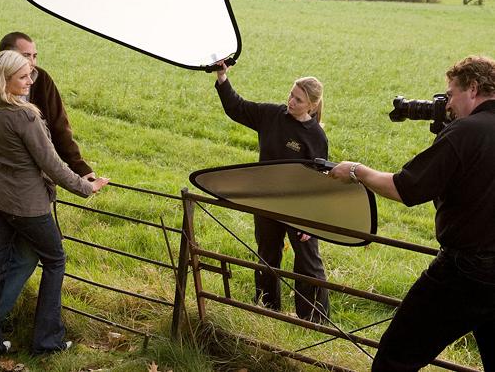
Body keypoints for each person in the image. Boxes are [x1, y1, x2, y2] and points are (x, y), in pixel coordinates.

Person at [329, 55, 495, 371]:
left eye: (451, 94)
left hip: (465, 273)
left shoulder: (466, 132)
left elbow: (405, 188)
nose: (448, 104)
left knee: (396, 358)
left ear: (473, 88)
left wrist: (356, 170)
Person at [0, 32, 95, 352]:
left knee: (8, 261)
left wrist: (80, 166)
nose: (32, 69)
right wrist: (85, 186)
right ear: (6, 63)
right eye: (26, 59)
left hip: (1, 197)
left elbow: (60, 130)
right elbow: (47, 160)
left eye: (35, 58)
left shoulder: (24, 91)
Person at [212, 61, 330, 322]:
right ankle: (267, 309)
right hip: (266, 201)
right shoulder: (271, 116)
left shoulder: (316, 136)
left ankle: (314, 320)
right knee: (267, 255)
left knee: (308, 263)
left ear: (311, 106)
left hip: (298, 208)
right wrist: (222, 77)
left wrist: (311, 222)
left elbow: (318, 182)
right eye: (291, 95)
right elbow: (237, 107)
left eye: (298, 100)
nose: (291, 101)